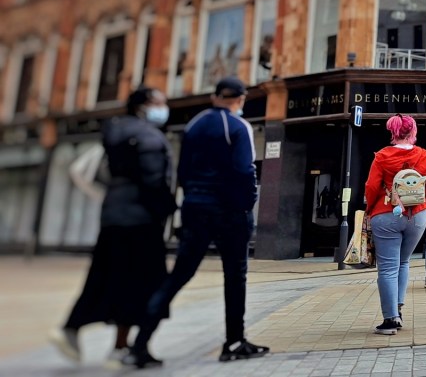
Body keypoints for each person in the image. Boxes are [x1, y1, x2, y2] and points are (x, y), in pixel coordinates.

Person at [125, 77, 268, 368]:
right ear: (241, 99)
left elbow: (183, 170)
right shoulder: (239, 127)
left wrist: (191, 199)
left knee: (178, 275)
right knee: (235, 276)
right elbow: (245, 171)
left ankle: (139, 345)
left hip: (196, 208)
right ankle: (234, 342)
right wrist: (246, 205)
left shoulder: (194, 124)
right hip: (230, 213)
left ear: (215, 97)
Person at [50, 87, 175, 368]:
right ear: (143, 106)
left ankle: (76, 329)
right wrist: (168, 210)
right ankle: (122, 347)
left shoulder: (114, 133)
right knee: (143, 284)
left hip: (113, 218)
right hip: (142, 220)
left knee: (105, 276)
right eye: (160, 102)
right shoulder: (149, 137)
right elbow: (154, 181)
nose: (164, 107)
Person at [364, 114, 426, 335]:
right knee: (404, 262)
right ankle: (398, 308)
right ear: (413, 131)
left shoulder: (382, 156)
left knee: (387, 267)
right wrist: (417, 199)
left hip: (386, 213)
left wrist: (369, 210)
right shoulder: (424, 155)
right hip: (417, 215)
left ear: (393, 132)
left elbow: (371, 186)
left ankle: (390, 319)